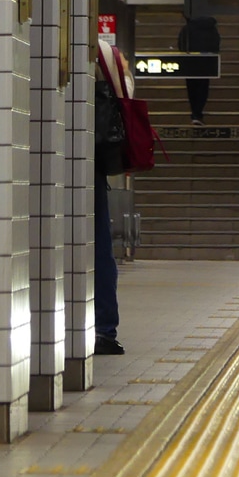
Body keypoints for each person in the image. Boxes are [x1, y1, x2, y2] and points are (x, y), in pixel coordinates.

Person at [93, 39, 130, 356]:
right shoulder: (108, 53)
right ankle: (104, 330)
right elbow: (127, 96)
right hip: (92, 163)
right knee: (99, 248)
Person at [177, 14, 221, 125]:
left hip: (190, 62)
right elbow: (216, 43)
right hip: (206, 63)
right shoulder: (211, 28)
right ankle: (198, 112)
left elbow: (182, 43)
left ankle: (195, 113)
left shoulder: (187, 28)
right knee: (203, 87)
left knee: (192, 88)